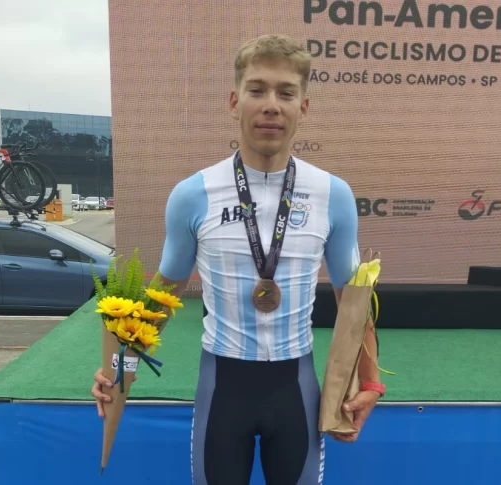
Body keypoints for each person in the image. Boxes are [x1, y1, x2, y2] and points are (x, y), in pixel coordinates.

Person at [91, 34, 384, 484]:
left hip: (296, 387)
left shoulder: (333, 195)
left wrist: (370, 384)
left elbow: (354, 304)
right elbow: (162, 299)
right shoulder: (193, 194)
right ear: (234, 101)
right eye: (257, 90)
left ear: (303, 107)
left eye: (286, 93)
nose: (272, 105)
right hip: (222, 386)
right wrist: (116, 372)